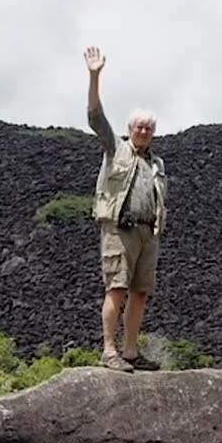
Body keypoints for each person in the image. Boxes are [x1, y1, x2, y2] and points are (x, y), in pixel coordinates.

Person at [84, 45, 168, 372]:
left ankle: (131, 351)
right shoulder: (115, 148)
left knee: (140, 293)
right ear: (130, 128)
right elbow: (95, 118)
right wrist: (94, 76)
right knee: (117, 289)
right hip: (120, 230)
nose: (144, 131)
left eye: (149, 128)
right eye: (139, 127)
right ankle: (109, 351)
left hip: (149, 233)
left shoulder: (157, 163)